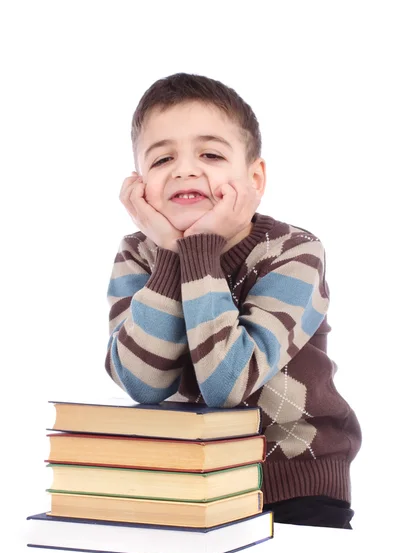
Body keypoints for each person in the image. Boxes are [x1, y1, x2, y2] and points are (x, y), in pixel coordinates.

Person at [105, 72, 362, 529]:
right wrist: (168, 255)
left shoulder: (294, 252)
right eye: (163, 158)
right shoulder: (139, 255)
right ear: (138, 183)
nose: (185, 169)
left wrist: (195, 251)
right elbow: (142, 383)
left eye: (210, 153)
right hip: (192, 484)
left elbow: (230, 383)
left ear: (255, 177)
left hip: (295, 485)